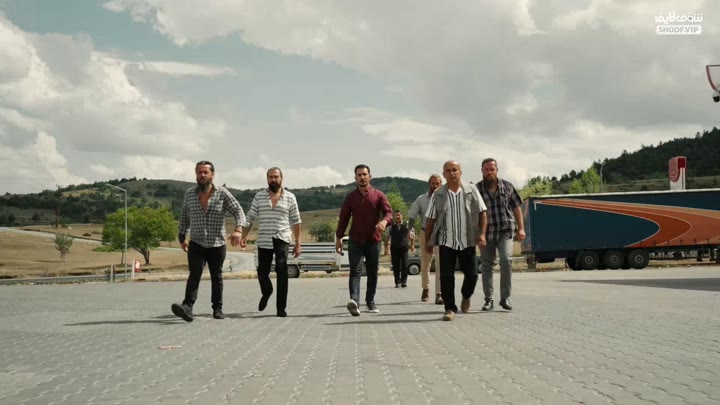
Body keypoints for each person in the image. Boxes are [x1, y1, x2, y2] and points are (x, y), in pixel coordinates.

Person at [171, 160, 246, 322]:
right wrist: (182, 237)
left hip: (217, 243)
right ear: (196, 175)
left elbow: (239, 211)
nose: (202, 175)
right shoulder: (189, 194)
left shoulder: (222, 193)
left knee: (216, 276)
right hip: (196, 242)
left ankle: (217, 308)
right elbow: (184, 216)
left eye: (205, 172)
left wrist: (238, 230)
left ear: (212, 175)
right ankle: (187, 307)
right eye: (199, 172)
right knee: (194, 274)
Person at [425, 160, 487, 321]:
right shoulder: (438, 194)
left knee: (472, 274)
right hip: (446, 241)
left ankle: (466, 296)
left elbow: (482, 212)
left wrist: (482, 234)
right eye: (448, 170)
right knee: (446, 277)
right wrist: (428, 242)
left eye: (455, 170)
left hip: (467, 240)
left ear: (460, 172)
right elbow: (430, 219)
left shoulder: (471, 190)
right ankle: (450, 309)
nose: (452, 173)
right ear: (444, 174)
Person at [240, 167, 302, 318]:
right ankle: (267, 291)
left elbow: (296, 221)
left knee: (282, 269)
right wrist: (243, 235)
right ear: (267, 179)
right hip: (264, 238)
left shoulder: (290, 197)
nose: (273, 180)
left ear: (281, 178)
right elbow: (250, 217)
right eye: (270, 177)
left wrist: (298, 243)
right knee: (262, 271)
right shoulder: (259, 196)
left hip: (282, 237)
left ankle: (281, 308)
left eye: (276, 177)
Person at [335, 164, 393, 316]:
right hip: (355, 240)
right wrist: (339, 238)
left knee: (372, 272)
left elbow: (389, 213)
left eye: (364, 174)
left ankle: (370, 301)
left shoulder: (379, 195)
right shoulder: (351, 197)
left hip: (373, 240)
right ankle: (354, 301)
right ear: (355, 178)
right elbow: (344, 218)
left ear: (370, 176)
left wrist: (384, 221)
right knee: (355, 271)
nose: (362, 177)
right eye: (359, 175)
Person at [476, 158, 525, 311]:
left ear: (497, 170)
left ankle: (505, 298)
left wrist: (521, 229)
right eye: (486, 169)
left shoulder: (507, 186)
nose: (489, 172)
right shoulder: (477, 189)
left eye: (492, 169)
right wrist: (477, 234)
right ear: (482, 171)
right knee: (487, 265)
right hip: (486, 233)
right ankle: (488, 300)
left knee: (506, 260)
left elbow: (517, 208)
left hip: (505, 230)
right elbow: (473, 212)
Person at [407, 174, 443, 303]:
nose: (435, 186)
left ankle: (439, 293)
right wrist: (410, 229)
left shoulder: (445, 198)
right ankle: (425, 289)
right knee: (425, 262)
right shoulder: (421, 199)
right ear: (429, 184)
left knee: (440, 264)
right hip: (425, 233)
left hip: (441, 233)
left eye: (437, 184)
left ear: (441, 184)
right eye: (433, 183)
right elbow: (412, 215)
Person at [389, 210, 413, 288]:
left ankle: (403, 282)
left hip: (404, 247)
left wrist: (412, 245)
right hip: (394, 248)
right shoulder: (391, 226)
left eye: (399, 215)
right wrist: (386, 247)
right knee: (395, 265)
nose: (397, 217)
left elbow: (412, 236)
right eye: (396, 215)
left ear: (402, 216)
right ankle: (397, 282)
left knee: (404, 264)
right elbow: (387, 236)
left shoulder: (406, 224)